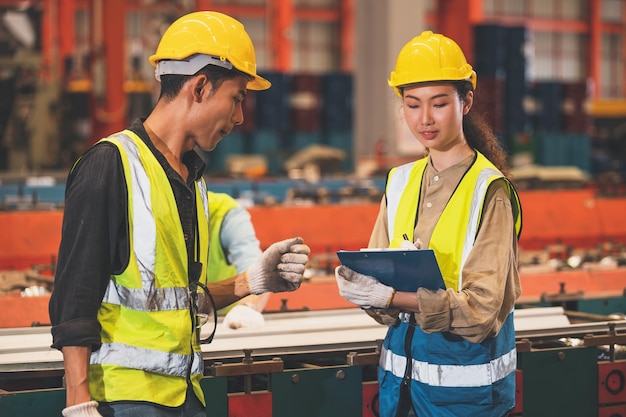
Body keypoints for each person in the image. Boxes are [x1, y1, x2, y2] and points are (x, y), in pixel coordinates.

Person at [48, 11, 310, 417]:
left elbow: (173, 301)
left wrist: (251, 281)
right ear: (201, 86)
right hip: (125, 399)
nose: (240, 117)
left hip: (185, 393)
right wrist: (78, 401)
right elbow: (74, 296)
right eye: (237, 97)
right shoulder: (111, 164)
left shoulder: (193, 179)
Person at [335, 31, 522, 417]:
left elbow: (482, 312)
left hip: (464, 399)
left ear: (466, 101)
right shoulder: (399, 182)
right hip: (401, 394)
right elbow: (381, 289)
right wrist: (364, 288)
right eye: (412, 103)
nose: (424, 119)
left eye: (439, 104)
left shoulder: (490, 191)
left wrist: (392, 298)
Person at [206, 190, 269, 329]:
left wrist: (247, 308)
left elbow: (256, 270)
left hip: (223, 324)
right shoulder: (152, 211)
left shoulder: (224, 212)